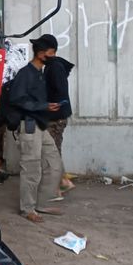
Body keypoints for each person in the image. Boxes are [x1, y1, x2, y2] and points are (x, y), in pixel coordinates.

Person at [8, 34, 64, 223]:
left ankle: (41, 203)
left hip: (41, 126)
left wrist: (50, 105)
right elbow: (16, 99)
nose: (53, 56)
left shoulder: (41, 73)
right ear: (41, 53)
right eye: (51, 53)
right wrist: (43, 107)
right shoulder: (26, 73)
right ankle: (28, 209)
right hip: (29, 126)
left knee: (53, 164)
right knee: (32, 169)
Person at [45, 51, 76, 195]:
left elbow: (58, 90)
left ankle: (60, 185)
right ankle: (62, 182)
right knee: (53, 150)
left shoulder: (54, 67)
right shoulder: (53, 66)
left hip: (56, 117)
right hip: (56, 116)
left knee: (53, 151)